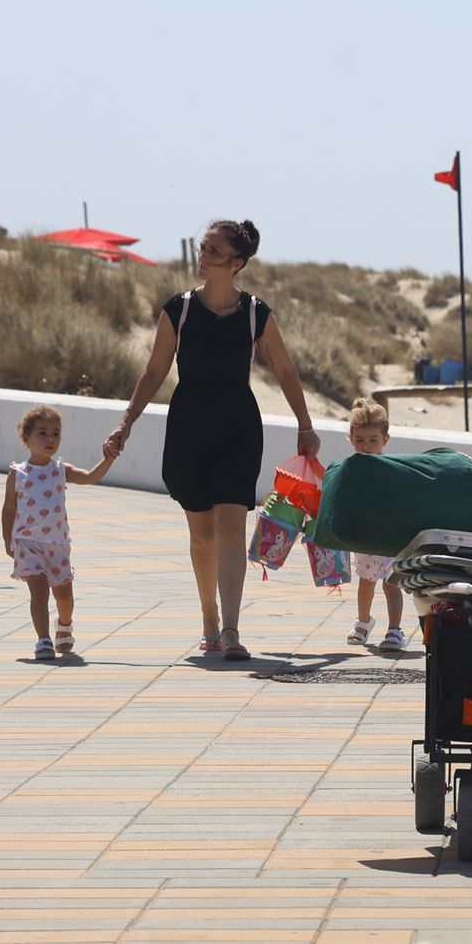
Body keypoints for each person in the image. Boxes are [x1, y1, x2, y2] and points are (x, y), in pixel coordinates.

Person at [103, 219, 320, 660]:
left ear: (236, 263)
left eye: (214, 252)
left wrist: (305, 424)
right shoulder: (178, 310)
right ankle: (208, 619)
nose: (203, 257)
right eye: (203, 248)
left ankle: (232, 630)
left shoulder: (256, 313)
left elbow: (284, 369)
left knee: (229, 523)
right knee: (201, 535)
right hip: (189, 429)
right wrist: (126, 423)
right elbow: (154, 370)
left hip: (238, 428)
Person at [2, 405, 117, 659]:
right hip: (28, 543)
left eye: (56, 433)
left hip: (57, 544)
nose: (50, 439)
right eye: (42, 433)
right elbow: (9, 508)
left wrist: (108, 458)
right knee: (39, 590)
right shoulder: (18, 473)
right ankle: (43, 640)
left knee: (64, 596)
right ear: (27, 439)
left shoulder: (60, 470)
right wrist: (7, 539)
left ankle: (64, 625)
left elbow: (89, 476)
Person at [341, 397, 406, 652]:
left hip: (391, 537)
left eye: (373, 440)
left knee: (392, 583)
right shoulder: (350, 469)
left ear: (385, 439)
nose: (366, 446)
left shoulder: (392, 469)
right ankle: (364, 621)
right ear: (351, 438)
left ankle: (395, 630)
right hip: (366, 538)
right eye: (360, 441)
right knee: (366, 582)